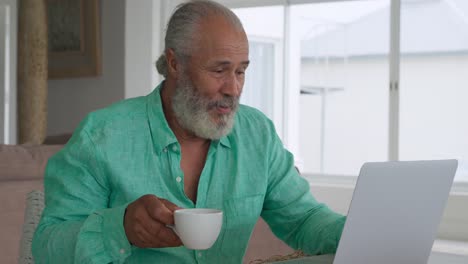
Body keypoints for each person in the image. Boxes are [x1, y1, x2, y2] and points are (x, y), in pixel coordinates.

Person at [32, 1, 345, 263]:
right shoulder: (101, 136)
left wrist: (367, 233)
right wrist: (121, 227)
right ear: (174, 64)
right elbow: (46, 247)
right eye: (219, 70)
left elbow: (304, 220)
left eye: (241, 71)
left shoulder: (257, 135)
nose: (233, 88)